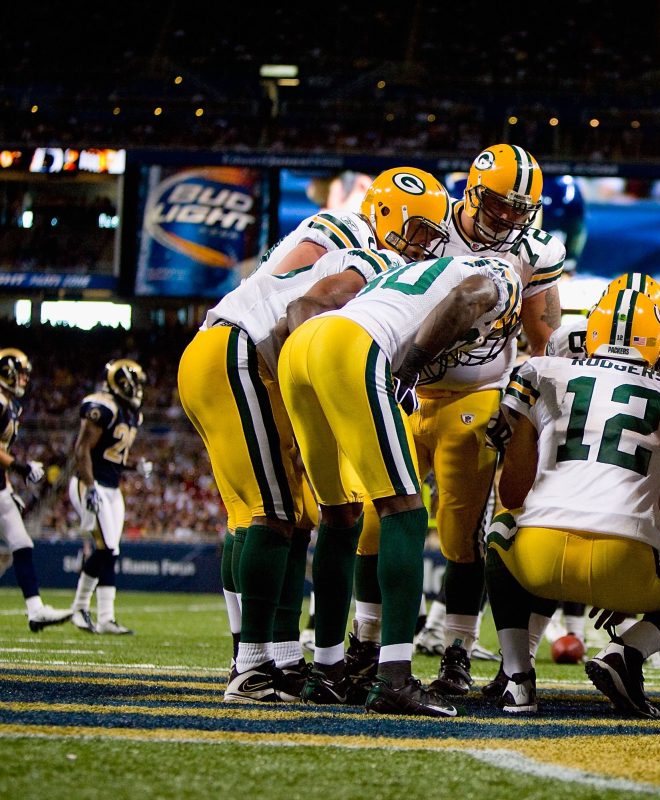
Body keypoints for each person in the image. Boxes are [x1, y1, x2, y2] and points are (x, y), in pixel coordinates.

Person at [178, 166, 452, 703]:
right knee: (274, 513)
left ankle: (274, 658)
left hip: (234, 352)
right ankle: (250, 665)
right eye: (419, 230)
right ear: (387, 217)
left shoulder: (352, 249)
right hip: (242, 351)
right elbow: (296, 309)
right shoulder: (359, 246)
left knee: (284, 514)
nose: (426, 245)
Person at [278, 253, 523, 718]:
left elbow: (302, 308)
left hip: (304, 343)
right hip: (354, 346)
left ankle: (327, 672)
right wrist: (409, 369)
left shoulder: (398, 273)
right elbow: (467, 299)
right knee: (405, 509)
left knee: (340, 511)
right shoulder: (497, 275)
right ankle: (394, 678)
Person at [484, 288, 660, 715]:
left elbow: (512, 493)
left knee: (501, 530)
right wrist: (630, 583)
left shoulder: (541, 371)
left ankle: (517, 676)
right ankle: (626, 652)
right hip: (625, 559)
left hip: (540, 557)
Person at [390, 144, 565, 699]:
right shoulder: (428, 223)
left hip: (476, 395)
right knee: (375, 521)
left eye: (522, 209)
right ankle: (366, 645)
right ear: (471, 192)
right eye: (500, 205)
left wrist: (529, 411)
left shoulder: (534, 252)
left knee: (464, 534)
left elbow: (544, 344)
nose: (511, 219)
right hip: (402, 386)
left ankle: (457, 653)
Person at [67, 359, 147, 635]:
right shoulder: (103, 407)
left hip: (112, 487)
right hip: (90, 484)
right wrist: (89, 488)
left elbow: (111, 457)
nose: (138, 390)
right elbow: (82, 450)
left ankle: (105, 618)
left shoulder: (132, 414)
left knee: (111, 549)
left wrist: (135, 467)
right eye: (134, 384)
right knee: (104, 548)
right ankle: (79, 608)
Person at [0, 349, 69, 632]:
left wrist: (7, 486)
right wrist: (21, 467)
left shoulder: (10, 404)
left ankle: (36, 609)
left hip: (0, 487)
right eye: (22, 372)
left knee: (22, 543)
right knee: (21, 544)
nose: (26, 378)